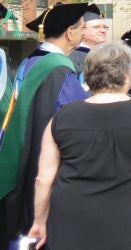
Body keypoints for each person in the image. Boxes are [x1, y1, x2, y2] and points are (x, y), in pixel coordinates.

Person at [26, 41, 131, 250]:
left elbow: (43, 178)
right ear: (127, 77)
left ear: (88, 76)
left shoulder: (60, 118)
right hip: (125, 218)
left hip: (70, 216)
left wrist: (39, 221)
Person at [0, 3, 89, 247]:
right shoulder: (58, 70)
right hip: (42, 159)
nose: (83, 33)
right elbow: (77, 119)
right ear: (70, 32)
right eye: (82, 28)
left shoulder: (31, 60)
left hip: (19, 151)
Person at [68, 4, 104, 81]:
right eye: (97, 27)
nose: (103, 30)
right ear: (82, 30)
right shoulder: (71, 57)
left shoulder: (107, 55)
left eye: (104, 27)